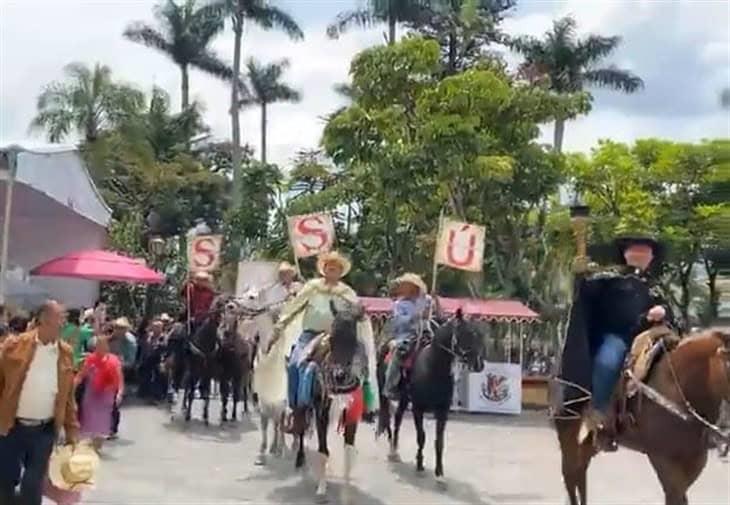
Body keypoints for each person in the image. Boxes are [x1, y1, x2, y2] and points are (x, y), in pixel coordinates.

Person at [565, 234, 677, 451]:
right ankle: (596, 414)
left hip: (652, 337)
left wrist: (663, 311)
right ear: (625, 254)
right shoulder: (607, 277)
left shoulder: (657, 285)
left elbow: (673, 312)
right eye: (635, 250)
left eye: (645, 251)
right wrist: (578, 275)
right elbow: (585, 293)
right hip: (618, 336)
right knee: (608, 361)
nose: (640, 254)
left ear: (652, 257)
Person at [0, 300, 79, 505]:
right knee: (6, 480)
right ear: (43, 320)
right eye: (59, 318)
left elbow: (67, 397)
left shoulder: (66, 353)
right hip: (11, 426)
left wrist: (72, 431)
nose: (63, 323)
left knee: (32, 484)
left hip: (44, 430)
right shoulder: (14, 346)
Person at [266, 251, 361, 410]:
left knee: (357, 362)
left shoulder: (347, 293)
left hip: (336, 339)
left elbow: (356, 313)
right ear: (323, 269)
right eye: (329, 268)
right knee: (294, 365)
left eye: (336, 269)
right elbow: (292, 309)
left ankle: (358, 407)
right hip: (309, 336)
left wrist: (360, 313)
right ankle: (296, 409)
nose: (332, 271)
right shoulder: (312, 287)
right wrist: (277, 330)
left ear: (340, 272)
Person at [75, 327, 124, 452]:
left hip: (106, 396)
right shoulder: (90, 359)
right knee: (88, 420)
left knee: (102, 423)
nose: (100, 347)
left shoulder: (114, 361)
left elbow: (119, 379)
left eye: (103, 345)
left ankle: (97, 448)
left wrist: (119, 393)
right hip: (91, 395)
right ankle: (89, 448)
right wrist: (71, 387)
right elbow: (81, 375)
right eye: (98, 345)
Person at [383, 273, 429, 400]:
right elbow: (399, 321)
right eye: (404, 286)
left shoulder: (426, 300)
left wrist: (434, 305)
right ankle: (390, 386)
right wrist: (414, 317)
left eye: (408, 285)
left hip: (425, 331)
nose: (405, 288)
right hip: (405, 335)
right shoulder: (399, 304)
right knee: (400, 351)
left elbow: (436, 315)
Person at [107, 317, 136, 439]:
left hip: (119, 372)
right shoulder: (110, 338)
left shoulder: (130, 342)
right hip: (106, 370)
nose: (118, 330)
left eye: (121, 328)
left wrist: (116, 363)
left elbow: (130, 362)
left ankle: (112, 429)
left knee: (114, 402)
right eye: (116, 328)